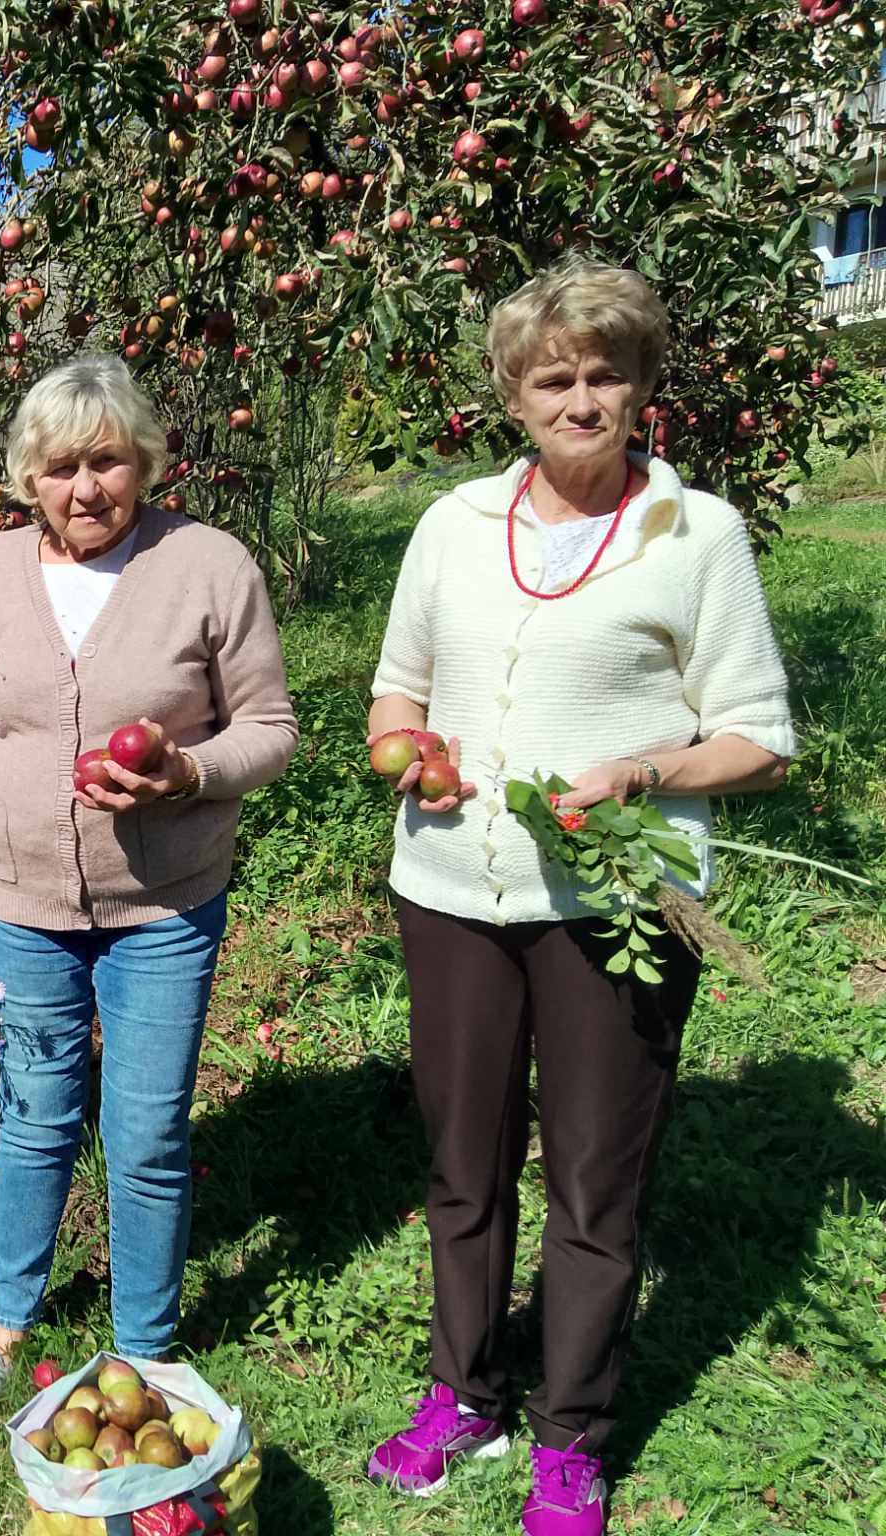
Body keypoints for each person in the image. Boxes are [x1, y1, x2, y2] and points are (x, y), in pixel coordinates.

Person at [362, 257, 795, 1536]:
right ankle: (463, 1392)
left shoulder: (696, 535)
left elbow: (757, 740)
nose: (580, 398)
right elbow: (396, 688)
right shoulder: (449, 524)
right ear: (513, 394)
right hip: (447, 891)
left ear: (640, 386)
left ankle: (570, 1430)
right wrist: (412, 753)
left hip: (618, 898)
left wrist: (640, 770)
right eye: (553, 377)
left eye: (604, 374)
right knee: (463, 1163)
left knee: (595, 1179)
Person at [0, 354, 300, 1420]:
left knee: (148, 1127)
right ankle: (6, 1322)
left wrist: (190, 772)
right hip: (22, 905)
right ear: (25, 478)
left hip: (163, 905)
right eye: (61, 466)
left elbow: (269, 727)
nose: (86, 488)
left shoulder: (209, 564)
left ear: (146, 462)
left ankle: (148, 1344)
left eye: (108, 461)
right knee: (34, 1118)